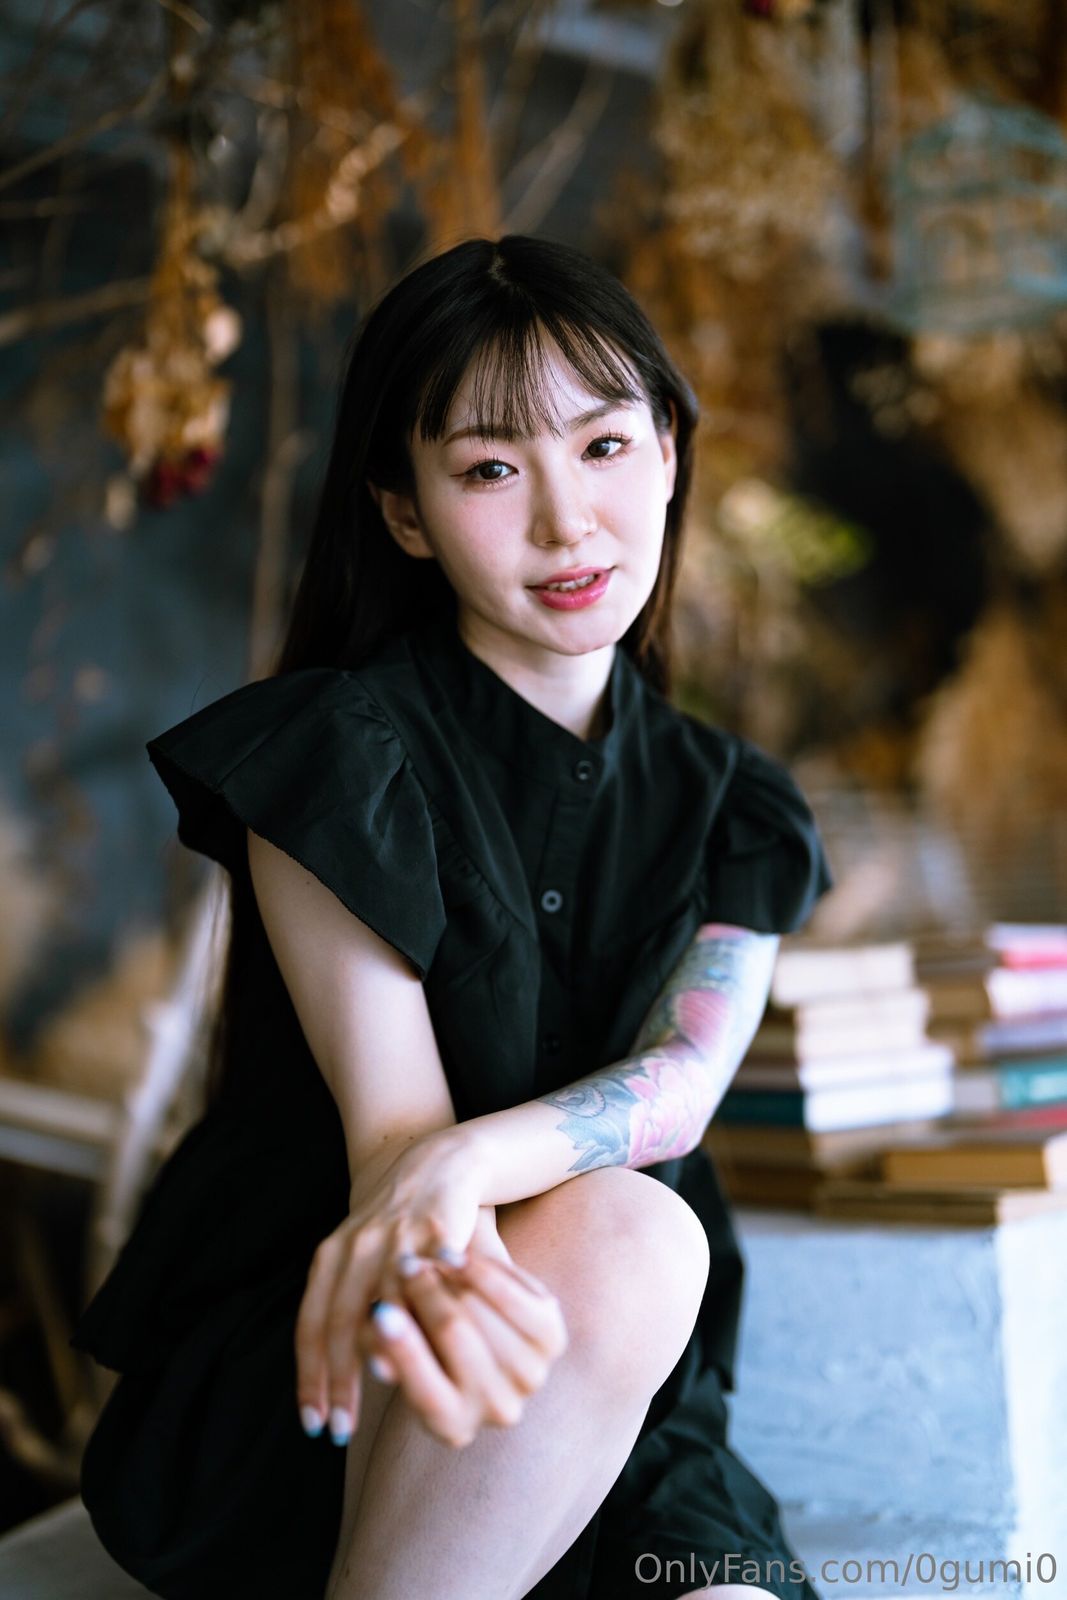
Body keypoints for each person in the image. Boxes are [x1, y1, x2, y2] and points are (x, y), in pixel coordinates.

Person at [70, 233, 833, 1600]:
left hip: (619, 1385)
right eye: (490, 470)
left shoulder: (739, 806)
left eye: (605, 446)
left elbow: (682, 1084)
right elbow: (401, 1159)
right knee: (633, 1231)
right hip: (358, 1342)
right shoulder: (337, 758)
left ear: (669, 450)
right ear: (406, 514)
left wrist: (475, 1161)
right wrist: (454, 1177)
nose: (567, 522)